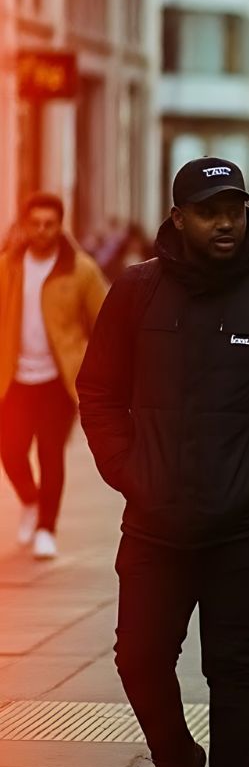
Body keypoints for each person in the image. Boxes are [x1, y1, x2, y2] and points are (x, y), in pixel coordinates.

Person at [77, 158, 249, 767]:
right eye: (208, 211)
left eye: (234, 210)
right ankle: (175, 757)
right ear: (178, 217)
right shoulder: (136, 290)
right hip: (153, 519)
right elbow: (99, 391)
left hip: (243, 525)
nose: (225, 222)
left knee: (232, 665)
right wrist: (127, 468)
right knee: (138, 657)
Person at [1, 193, 107, 559]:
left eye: (50, 224)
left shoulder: (80, 270)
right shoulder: (8, 267)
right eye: (36, 223)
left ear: (60, 225)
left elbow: (106, 323)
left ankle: (47, 527)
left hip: (58, 382)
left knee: (49, 453)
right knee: (10, 450)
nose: (43, 231)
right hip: (13, 379)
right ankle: (30, 501)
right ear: (25, 225)